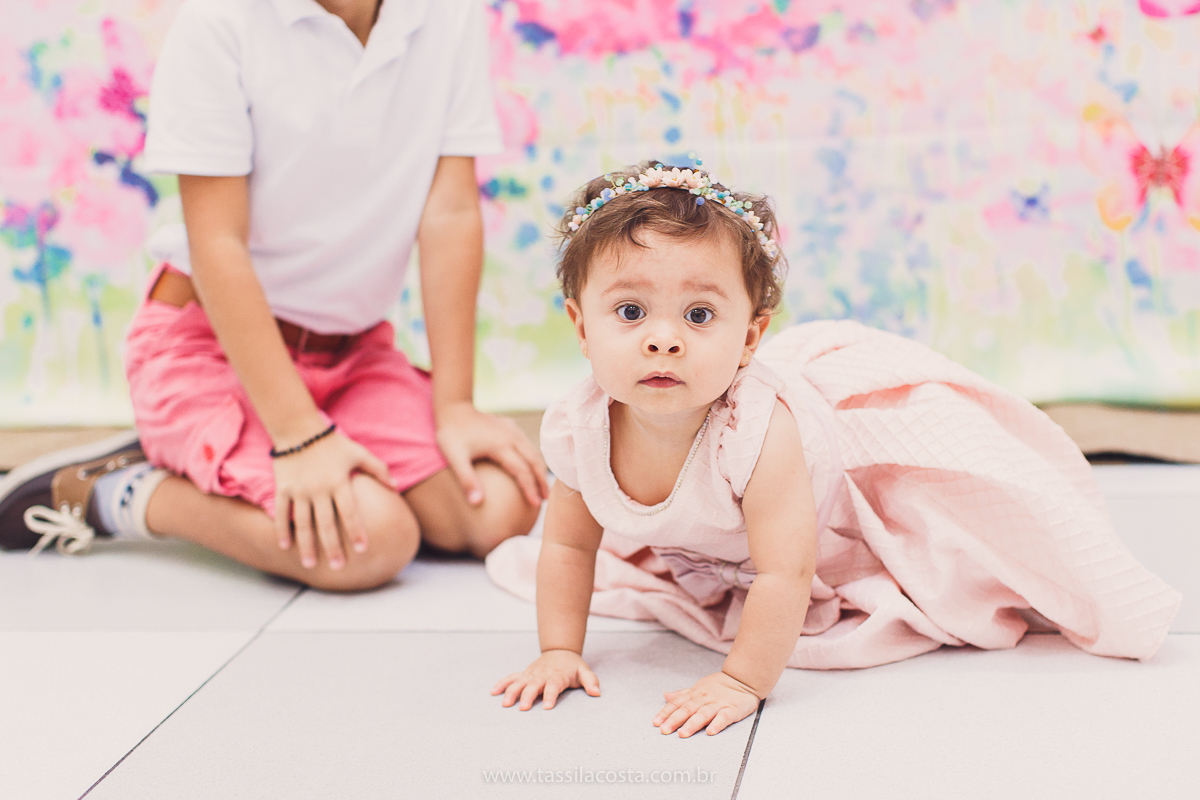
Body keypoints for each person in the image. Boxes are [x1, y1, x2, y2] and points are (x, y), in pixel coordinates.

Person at [487, 161, 1182, 737]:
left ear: (750, 339)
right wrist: (558, 650)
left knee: (950, 566)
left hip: (828, 532)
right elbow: (569, 548)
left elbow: (786, 574)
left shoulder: (756, 432)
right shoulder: (579, 427)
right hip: (724, 550)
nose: (663, 339)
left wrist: (742, 679)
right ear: (581, 327)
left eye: (700, 315)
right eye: (630, 312)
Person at [0, 0, 548, 590]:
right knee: (371, 541)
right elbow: (219, 246)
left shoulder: (445, 16)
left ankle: (236, 459)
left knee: (497, 505)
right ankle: (114, 492)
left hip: (349, 357)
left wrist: (455, 406)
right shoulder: (221, 23)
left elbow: (451, 212)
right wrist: (298, 435)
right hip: (210, 349)